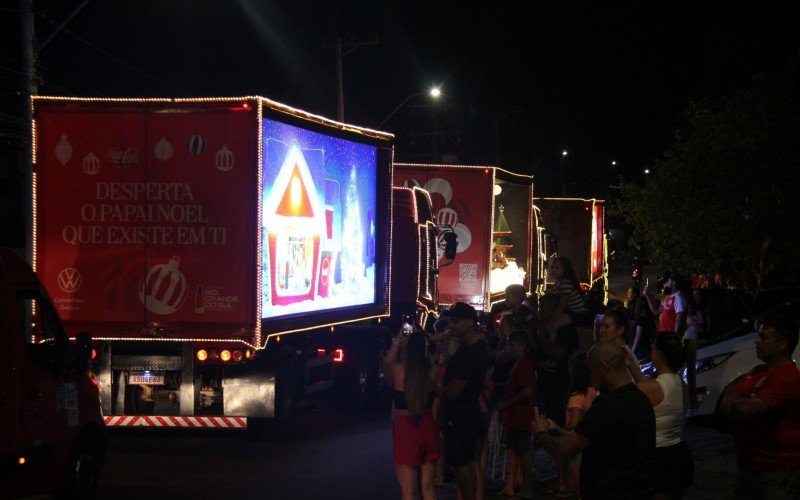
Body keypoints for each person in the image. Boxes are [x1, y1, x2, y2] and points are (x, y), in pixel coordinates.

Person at [532, 341, 656, 499]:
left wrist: (541, 433)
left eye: (592, 371)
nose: (591, 377)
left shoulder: (607, 407)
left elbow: (566, 448)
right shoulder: (642, 400)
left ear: (604, 367)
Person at [721, 317, 800, 499]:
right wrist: (738, 403)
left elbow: (744, 408)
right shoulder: (757, 371)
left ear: (782, 345)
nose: (757, 341)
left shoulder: (788, 378)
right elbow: (727, 400)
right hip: (751, 467)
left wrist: (740, 402)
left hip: (776, 471)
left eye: (763, 338)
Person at [439, 302, 493, 500]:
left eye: (456, 321)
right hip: (472, 410)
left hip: (461, 412)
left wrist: (435, 389)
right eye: (450, 320)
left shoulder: (468, 353)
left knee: (460, 464)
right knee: (468, 462)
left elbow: (453, 391)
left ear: (470, 323)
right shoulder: (477, 346)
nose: (451, 325)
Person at [630, 333, 695, 499]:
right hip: (678, 454)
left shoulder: (654, 388)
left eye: (653, 348)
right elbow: (649, 384)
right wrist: (633, 367)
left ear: (659, 353)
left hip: (660, 459)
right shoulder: (679, 382)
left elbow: (626, 392)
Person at [385, 328, 442, 500]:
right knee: (428, 488)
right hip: (427, 424)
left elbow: (386, 363)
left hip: (406, 427)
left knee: (409, 491)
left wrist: (397, 341)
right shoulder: (432, 372)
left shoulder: (398, 371)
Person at [495, 330, 536, 499]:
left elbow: (527, 392)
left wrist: (507, 402)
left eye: (511, 345)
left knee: (523, 451)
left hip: (520, 416)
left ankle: (527, 488)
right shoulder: (519, 363)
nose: (509, 349)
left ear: (522, 346)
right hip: (515, 416)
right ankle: (512, 485)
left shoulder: (524, 364)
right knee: (514, 450)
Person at [557, 352, 598, 498]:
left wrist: (561, 430)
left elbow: (574, 421)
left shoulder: (576, 397)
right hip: (592, 438)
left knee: (575, 467)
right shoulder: (594, 392)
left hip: (577, 439)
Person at [536, 293, 579, 428]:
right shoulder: (541, 327)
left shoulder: (566, 330)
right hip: (542, 386)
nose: (539, 312)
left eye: (543, 309)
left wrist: (542, 337)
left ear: (555, 311)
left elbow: (557, 353)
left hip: (558, 387)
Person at [549, 256, 589, 326]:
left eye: (557, 268)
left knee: (553, 326)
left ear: (565, 270)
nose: (553, 270)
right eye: (552, 267)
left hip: (576, 314)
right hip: (568, 311)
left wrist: (552, 319)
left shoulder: (565, 284)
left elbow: (561, 305)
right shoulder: (557, 283)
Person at [683, 289, 706, 409]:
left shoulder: (697, 316)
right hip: (685, 346)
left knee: (693, 373)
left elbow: (702, 330)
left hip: (695, 346)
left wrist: (694, 323)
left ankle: (693, 400)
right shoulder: (683, 319)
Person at [628, 286, 655, 361]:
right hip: (645, 348)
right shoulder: (647, 317)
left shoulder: (640, 318)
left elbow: (638, 336)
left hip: (638, 350)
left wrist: (632, 351)